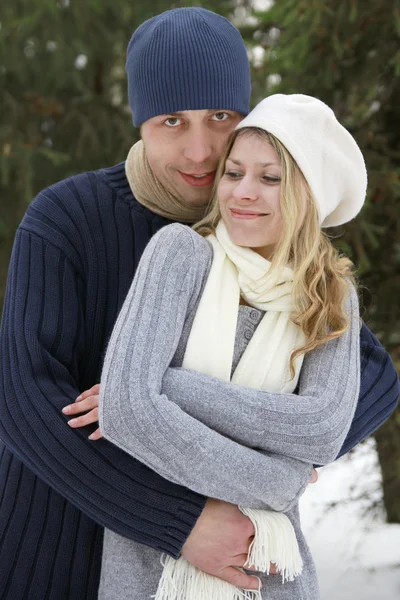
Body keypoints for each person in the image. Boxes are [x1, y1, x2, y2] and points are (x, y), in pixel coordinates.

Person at [0, 7, 398, 600]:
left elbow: (371, 377)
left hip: (223, 563)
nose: (202, 149)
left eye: (220, 116)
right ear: (140, 122)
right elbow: (25, 400)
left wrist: (275, 460)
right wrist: (178, 520)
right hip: (56, 547)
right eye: (171, 121)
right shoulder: (66, 219)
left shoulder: (267, 235)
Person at [65, 93, 366, 600]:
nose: (243, 193)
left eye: (270, 178)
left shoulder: (333, 296)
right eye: (234, 173)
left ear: (308, 195)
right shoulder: (180, 255)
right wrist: (278, 481)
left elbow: (319, 429)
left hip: (270, 574)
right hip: (151, 570)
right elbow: (127, 413)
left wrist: (174, 388)